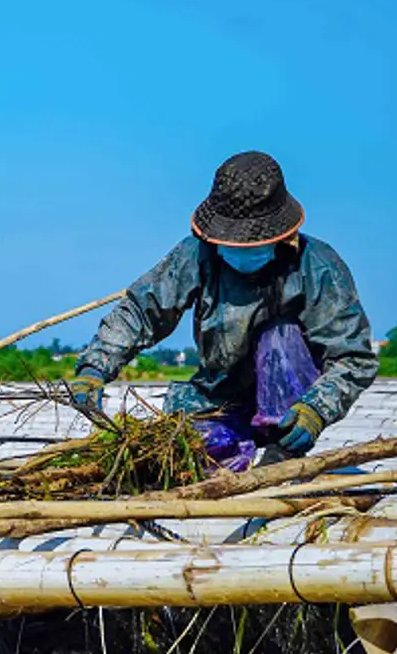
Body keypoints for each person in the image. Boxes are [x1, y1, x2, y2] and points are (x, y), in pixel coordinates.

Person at [70, 150, 376, 469]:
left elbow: (353, 357)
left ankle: (280, 451)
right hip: (219, 397)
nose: (240, 252)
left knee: (280, 336)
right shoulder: (197, 255)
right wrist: (95, 369)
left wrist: (316, 410)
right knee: (178, 460)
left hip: (288, 404)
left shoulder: (317, 266)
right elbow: (141, 311)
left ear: (281, 236)